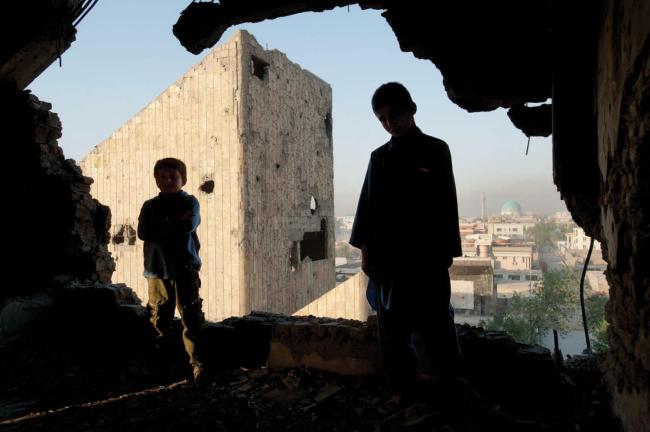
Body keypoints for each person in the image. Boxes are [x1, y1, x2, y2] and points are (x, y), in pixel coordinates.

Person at [350, 82, 463, 402]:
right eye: (383, 119)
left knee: (438, 323)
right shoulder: (379, 158)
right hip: (389, 261)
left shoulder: (436, 150)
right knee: (393, 329)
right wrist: (366, 255)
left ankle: (451, 385)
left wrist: (445, 254)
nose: (390, 123)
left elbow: (446, 204)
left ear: (411, 109)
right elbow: (367, 207)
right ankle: (402, 389)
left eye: (395, 115)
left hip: (426, 257)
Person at [137, 157, 206, 384]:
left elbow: (188, 226)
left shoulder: (191, 203)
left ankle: (198, 365)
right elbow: (144, 232)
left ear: (183, 180)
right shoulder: (150, 206)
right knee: (159, 322)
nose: (168, 181)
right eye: (163, 177)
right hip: (157, 271)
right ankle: (162, 368)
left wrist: (164, 225)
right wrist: (173, 223)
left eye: (173, 177)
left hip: (185, 270)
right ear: (156, 180)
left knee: (191, 319)